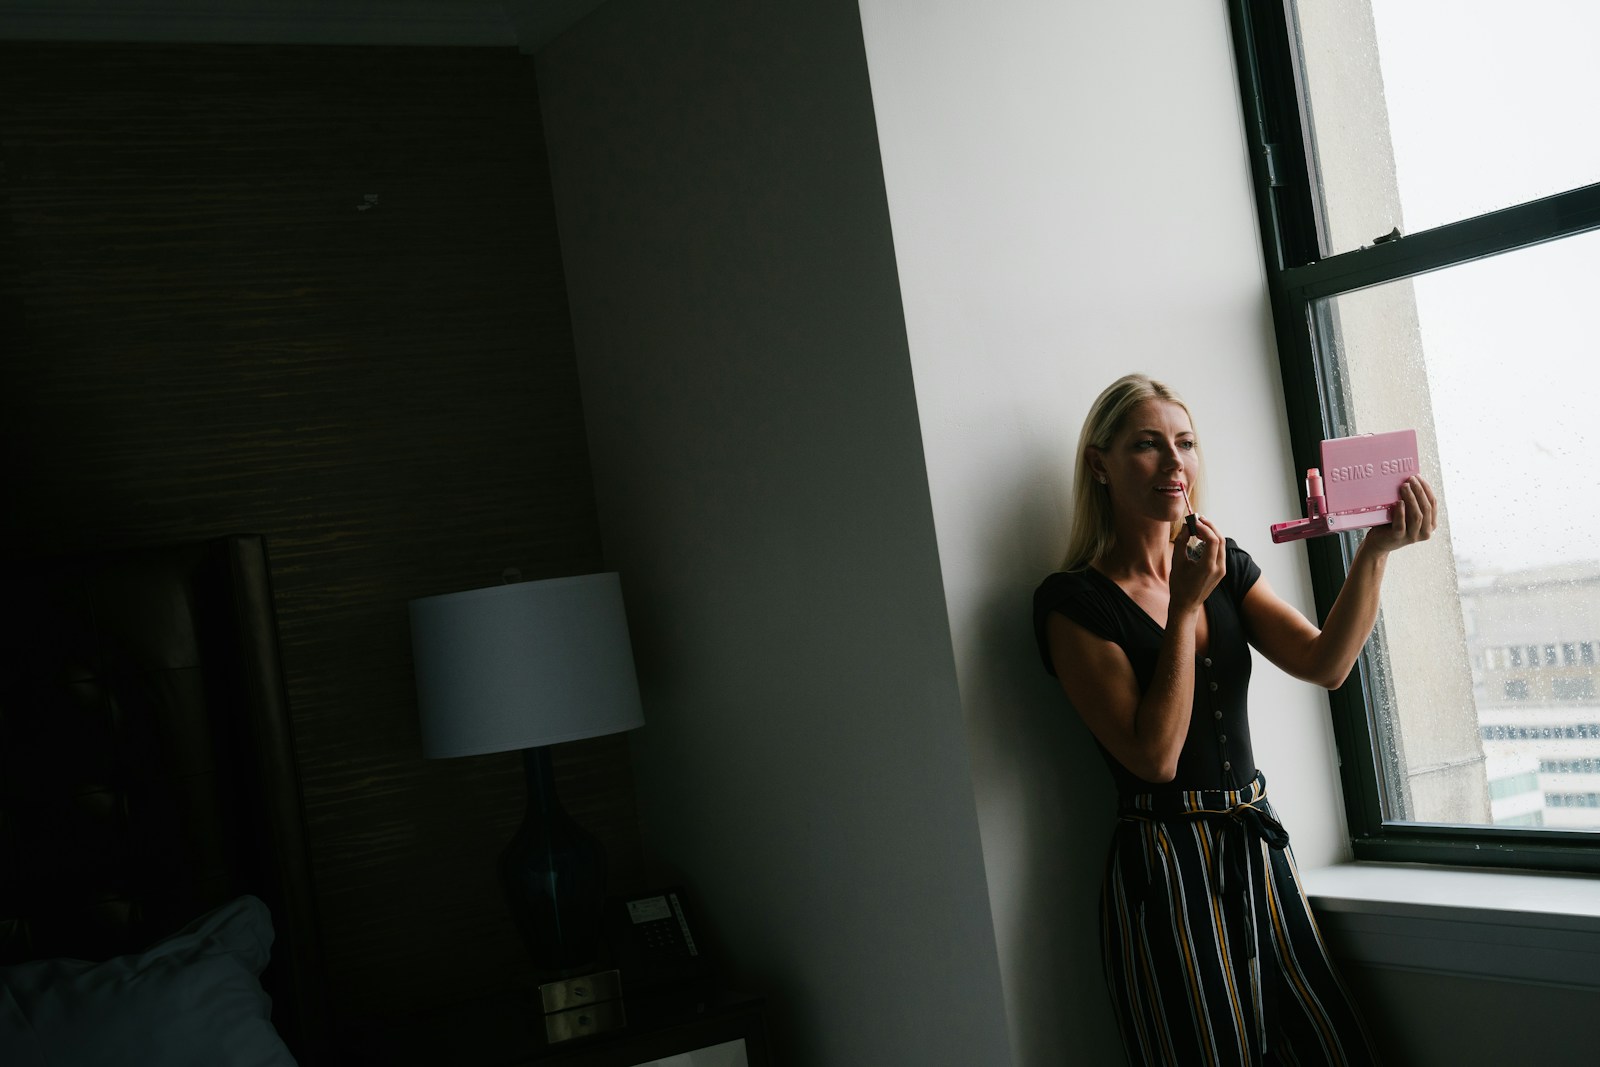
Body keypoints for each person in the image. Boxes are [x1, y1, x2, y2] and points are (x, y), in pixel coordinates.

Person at [1032, 373, 1436, 1067]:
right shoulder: (1072, 602)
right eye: (1147, 445)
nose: (1174, 462)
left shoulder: (1223, 561)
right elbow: (1154, 757)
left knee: (1330, 1046)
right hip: (1165, 865)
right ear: (1099, 463)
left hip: (1257, 842)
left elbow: (1326, 662)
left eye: (1184, 443)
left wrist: (1375, 551)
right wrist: (1186, 606)